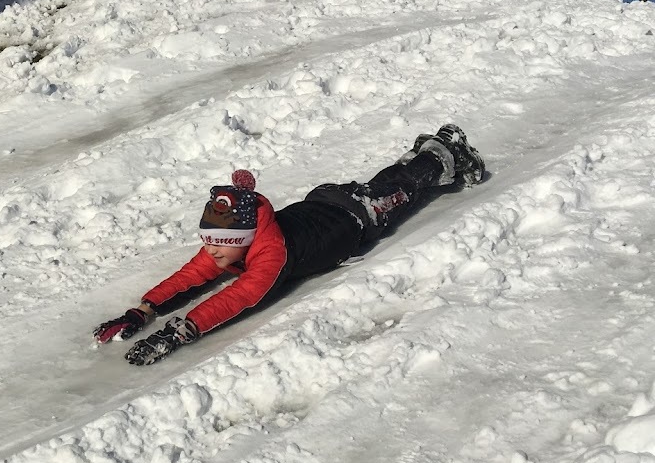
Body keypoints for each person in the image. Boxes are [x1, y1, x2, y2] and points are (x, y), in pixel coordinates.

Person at [93, 124, 486, 365]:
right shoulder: (235, 236)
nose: (210, 253)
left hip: (356, 218)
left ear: (243, 242)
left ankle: (443, 154)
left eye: (218, 247)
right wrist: (144, 308)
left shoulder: (271, 255)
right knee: (378, 186)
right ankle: (417, 158)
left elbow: (239, 297)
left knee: (397, 192)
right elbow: (193, 273)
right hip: (324, 201)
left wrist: (183, 330)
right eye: (208, 243)